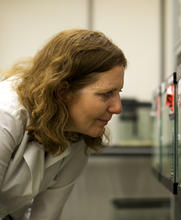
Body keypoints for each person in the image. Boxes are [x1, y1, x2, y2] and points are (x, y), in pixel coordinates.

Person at [0, 29, 127, 220]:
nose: (117, 108)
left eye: (119, 92)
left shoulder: (78, 134)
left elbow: (47, 213)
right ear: (62, 91)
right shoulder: (7, 114)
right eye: (106, 94)